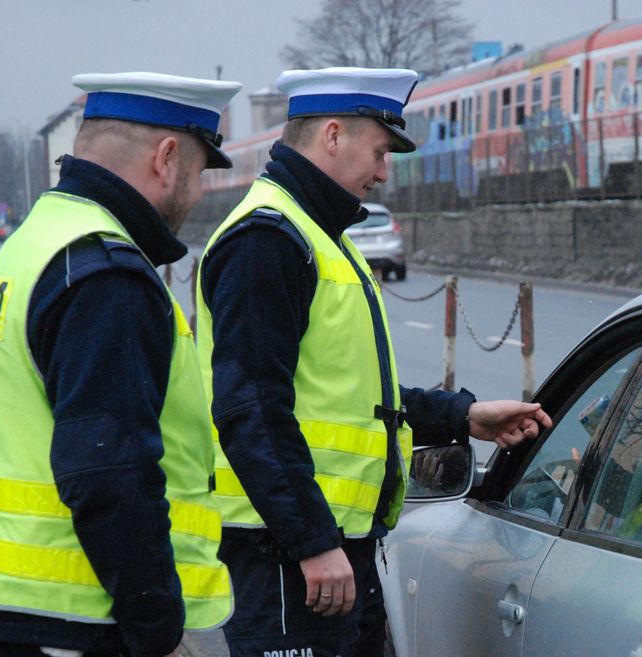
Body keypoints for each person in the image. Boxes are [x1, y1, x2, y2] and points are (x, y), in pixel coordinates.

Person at [195, 66, 552, 657]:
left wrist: (464, 416)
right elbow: (251, 409)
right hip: (291, 557)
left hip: (331, 552)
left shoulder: (316, 234)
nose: (384, 172)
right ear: (333, 135)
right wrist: (311, 541)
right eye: (380, 151)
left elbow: (357, 398)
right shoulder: (268, 241)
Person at [0, 71, 242, 657]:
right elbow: (108, 472)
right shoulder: (107, 272)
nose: (195, 194)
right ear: (166, 158)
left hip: (15, 608)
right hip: (80, 619)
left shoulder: (37, 242)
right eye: (196, 173)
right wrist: (155, 619)